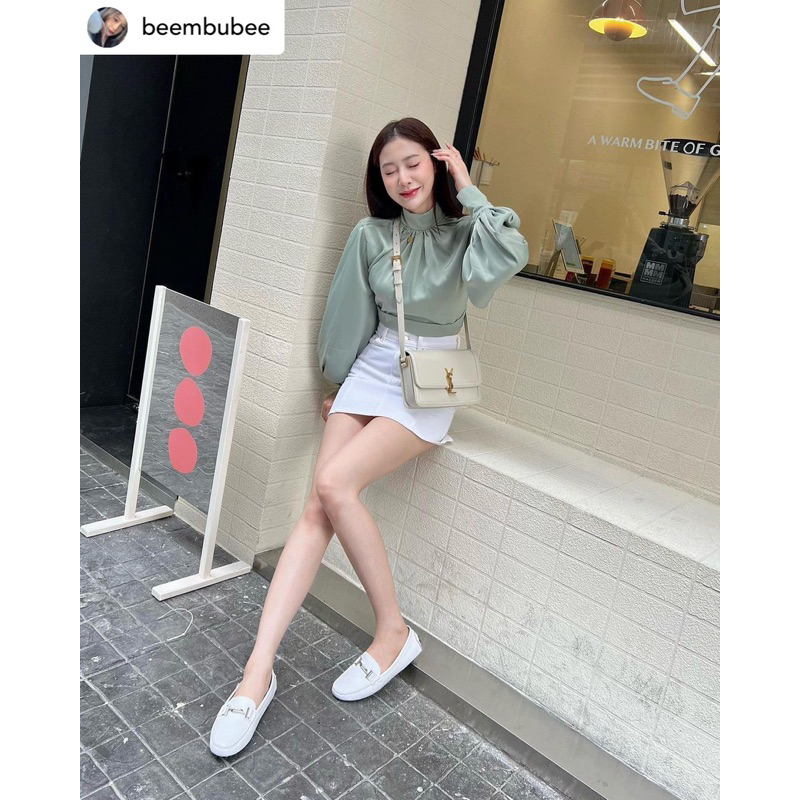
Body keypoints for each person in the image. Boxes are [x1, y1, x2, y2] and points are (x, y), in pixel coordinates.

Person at [209, 117, 529, 758]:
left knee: (333, 483)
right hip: (375, 366)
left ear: (436, 163)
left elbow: (511, 252)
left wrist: (467, 187)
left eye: (414, 163)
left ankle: (392, 633)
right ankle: (256, 675)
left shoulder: (468, 230)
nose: (403, 178)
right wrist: (338, 381)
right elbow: (349, 310)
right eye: (389, 170)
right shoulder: (371, 235)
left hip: (432, 376)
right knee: (316, 506)